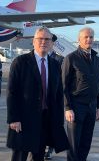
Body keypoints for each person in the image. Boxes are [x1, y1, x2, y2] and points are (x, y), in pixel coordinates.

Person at [7, 27, 68, 161]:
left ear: (52, 43)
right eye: (40, 39)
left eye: (47, 39)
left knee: (38, 155)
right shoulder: (20, 62)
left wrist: (58, 121)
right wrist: (13, 118)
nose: (44, 42)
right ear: (34, 41)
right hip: (23, 119)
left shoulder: (55, 65)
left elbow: (58, 94)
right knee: (20, 156)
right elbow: (12, 92)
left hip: (45, 119)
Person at [62, 27, 99, 161]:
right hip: (76, 106)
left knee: (86, 144)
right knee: (74, 145)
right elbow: (63, 86)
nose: (89, 39)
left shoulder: (97, 60)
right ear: (79, 40)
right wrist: (68, 107)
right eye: (85, 37)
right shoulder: (71, 58)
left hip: (91, 107)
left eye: (91, 37)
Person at [44, 34, 64, 160]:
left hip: (53, 97)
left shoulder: (59, 59)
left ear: (53, 44)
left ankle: (49, 150)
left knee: (51, 125)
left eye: (50, 41)